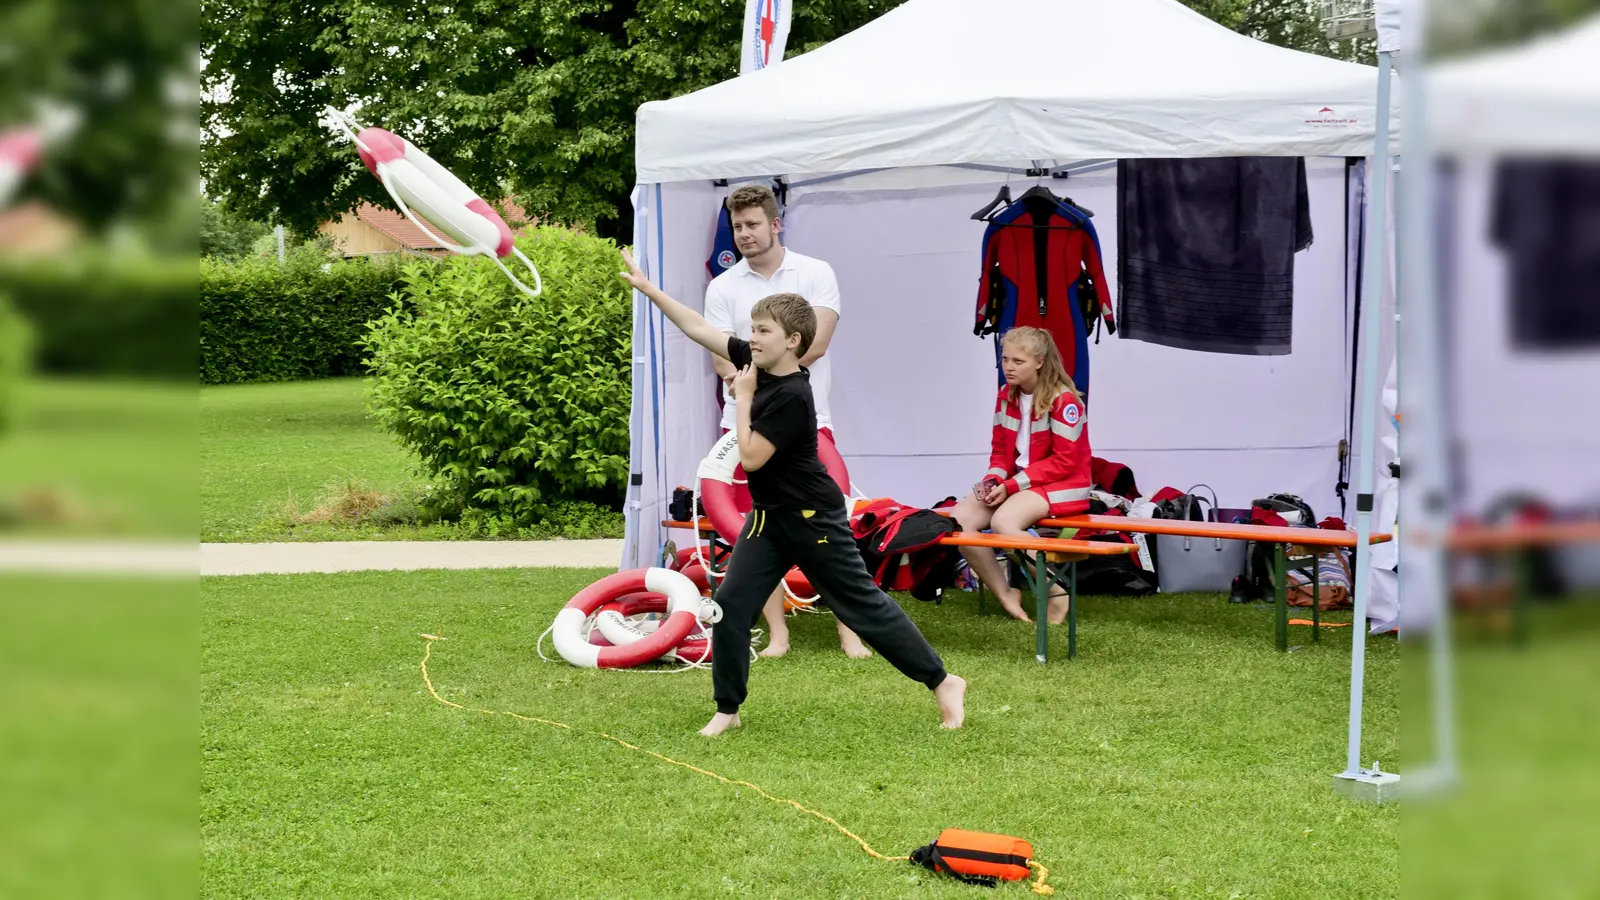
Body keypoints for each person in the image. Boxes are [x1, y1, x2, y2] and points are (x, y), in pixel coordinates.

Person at [620, 249, 966, 736]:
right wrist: (650, 290)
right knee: (730, 608)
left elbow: (753, 457)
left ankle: (943, 681)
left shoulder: (792, 397)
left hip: (813, 520)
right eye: (753, 329)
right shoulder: (758, 360)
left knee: (862, 606)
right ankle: (728, 709)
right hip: (769, 519)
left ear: (792, 341)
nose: (752, 337)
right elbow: (701, 329)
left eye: (762, 331)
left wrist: (741, 401)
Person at [702, 183, 867, 659]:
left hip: (806, 422)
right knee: (757, 527)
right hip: (743, 426)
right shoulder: (722, 285)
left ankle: (849, 630)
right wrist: (743, 385)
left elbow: (815, 345)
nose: (744, 234)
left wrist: (758, 382)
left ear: (775, 224)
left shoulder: (815, 272)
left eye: (753, 224)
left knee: (826, 529)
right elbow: (720, 356)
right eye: (737, 227)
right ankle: (778, 633)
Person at [947, 327, 1092, 624]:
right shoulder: (1006, 395)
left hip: (1064, 485)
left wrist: (1011, 485)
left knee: (1004, 522)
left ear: (1039, 362)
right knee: (959, 522)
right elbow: (1000, 452)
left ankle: (1055, 590)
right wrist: (993, 482)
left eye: (1018, 361)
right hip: (1023, 484)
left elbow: (1064, 463)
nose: (1009, 367)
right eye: (1005, 360)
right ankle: (1004, 591)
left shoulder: (1065, 401)